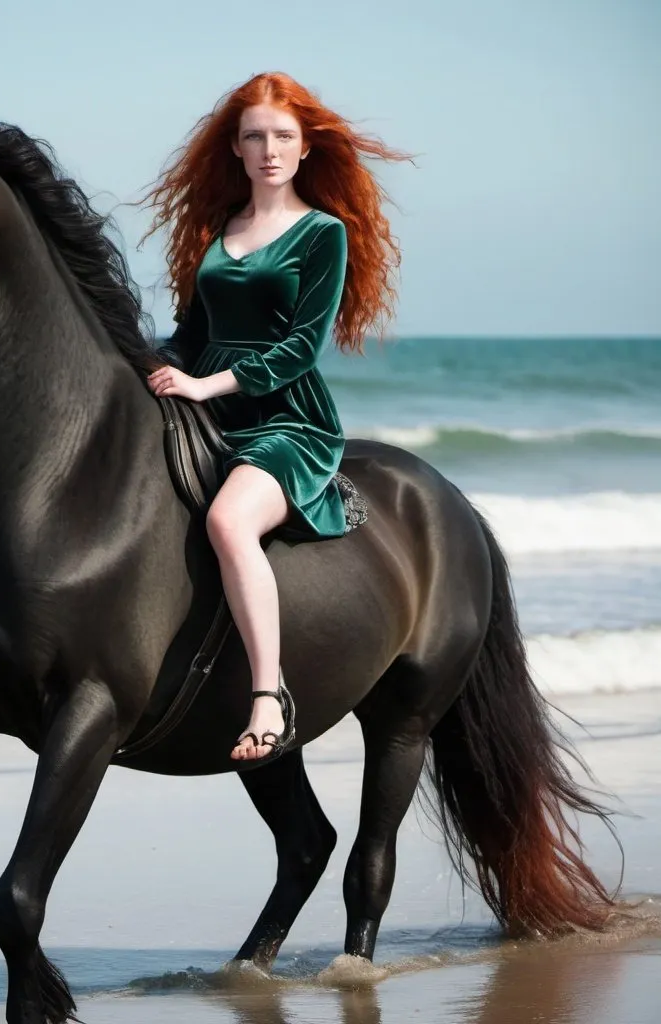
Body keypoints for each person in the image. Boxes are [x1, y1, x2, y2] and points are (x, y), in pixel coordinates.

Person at [141, 72, 408, 762]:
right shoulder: (216, 228)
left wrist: (206, 386)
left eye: (283, 137)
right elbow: (194, 331)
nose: (269, 149)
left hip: (287, 420)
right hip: (211, 409)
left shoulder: (322, 234)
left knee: (228, 521)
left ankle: (269, 694)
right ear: (234, 146)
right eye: (255, 136)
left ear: (305, 148)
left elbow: (298, 349)